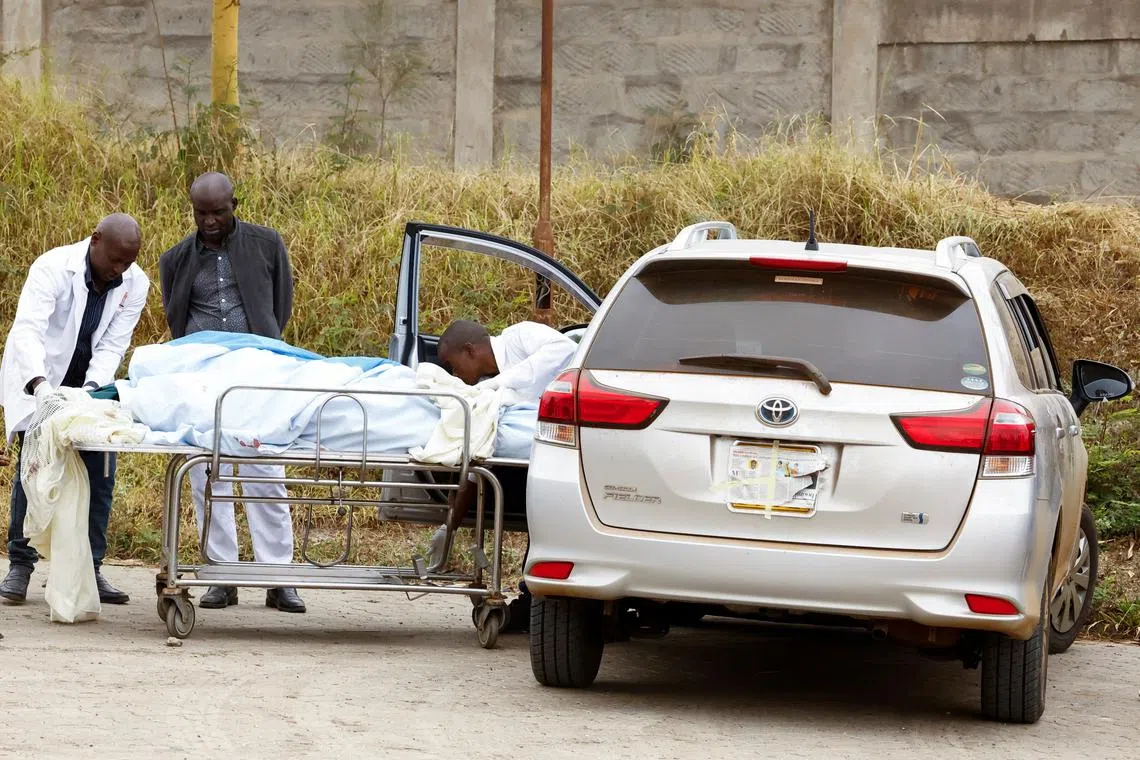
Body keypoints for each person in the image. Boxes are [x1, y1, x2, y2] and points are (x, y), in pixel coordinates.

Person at [158, 172, 305, 614]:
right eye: (200, 213)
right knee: (206, 472)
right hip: (201, 376)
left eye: (217, 212)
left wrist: (263, 348)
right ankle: (222, 574)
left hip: (257, 370)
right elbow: (175, 314)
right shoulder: (176, 258)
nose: (209, 221)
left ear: (234, 205)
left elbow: (280, 304)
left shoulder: (266, 243)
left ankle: (279, 578)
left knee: (265, 468)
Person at [0, 214, 149, 604]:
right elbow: (28, 330)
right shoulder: (52, 268)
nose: (120, 270)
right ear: (95, 240)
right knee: (34, 469)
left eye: (128, 263)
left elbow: (113, 346)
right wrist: (42, 389)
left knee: (100, 470)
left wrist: (89, 391)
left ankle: (92, 567)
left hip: (88, 385)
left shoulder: (135, 282)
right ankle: (20, 566)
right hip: (40, 379)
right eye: (115, 260)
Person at [427, 319, 578, 630]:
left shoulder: (519, 337)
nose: (456, 376)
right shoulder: (488, 388)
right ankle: (530, 604)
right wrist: (450, 527)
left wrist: (502, 382)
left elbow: (564, 348)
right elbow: (475, 458)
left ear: (469, 350)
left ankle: (536, 603)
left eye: (453, 366)